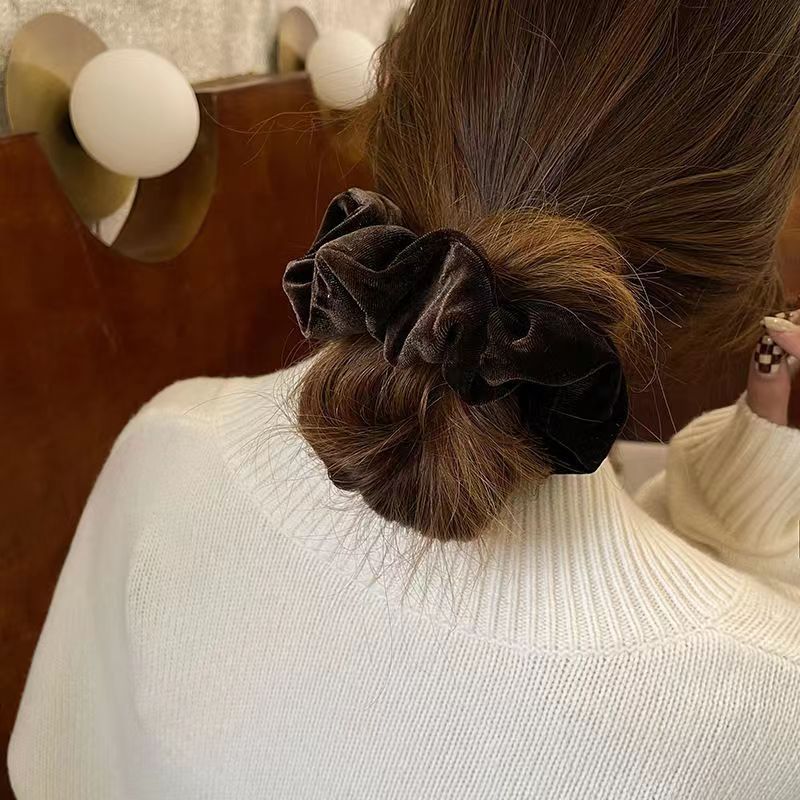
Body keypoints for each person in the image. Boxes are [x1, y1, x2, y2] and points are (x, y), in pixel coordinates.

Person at [9, 1, 800, 797]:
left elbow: (56, 772)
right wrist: (746, 533)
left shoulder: (169, 447)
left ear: (394, 100)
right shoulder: (765, 701)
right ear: (745, 253)